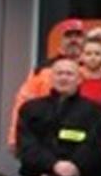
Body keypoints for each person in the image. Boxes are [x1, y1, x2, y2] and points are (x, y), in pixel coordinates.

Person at [15, 57, 101, 176]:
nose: (64, 77)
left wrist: (75, 165)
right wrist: (54, 164)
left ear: (79, 79)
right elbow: (27, 146)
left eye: (69, 74)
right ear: (51, 78)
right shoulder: (31, 109)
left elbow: (95, 145)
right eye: (59, 73)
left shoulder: (93, 111)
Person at [9, 18, 90, 150]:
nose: (73, 40)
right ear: (61, 40)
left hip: (88, 135)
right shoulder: (42, 70)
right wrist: (14, 137)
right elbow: (23, 102)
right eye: (69, 36)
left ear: (85, 39)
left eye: (78, 35)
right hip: (47, 138)